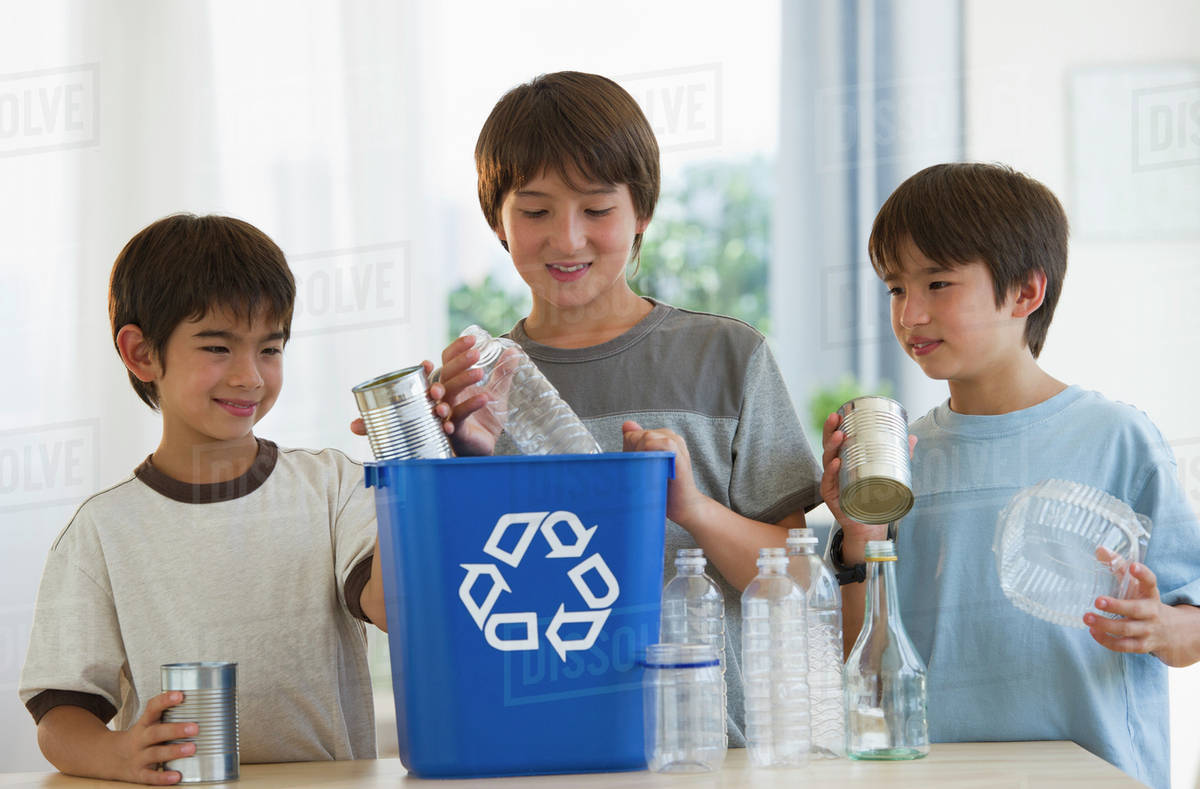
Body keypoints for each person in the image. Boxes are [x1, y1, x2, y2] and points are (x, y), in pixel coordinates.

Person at [431, 71, 823, 745]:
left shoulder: (727, 358)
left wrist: (693, 508)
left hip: (708, 753)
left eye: (597, 208)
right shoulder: (477, 394)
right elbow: (449, 603)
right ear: (498, 219)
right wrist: (447, 456)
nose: (567, 238)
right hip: (534, 744)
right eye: (535, 211)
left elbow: (800, 580)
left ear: (642, 210)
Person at [820, 163, 1200, 789]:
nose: (910, 314)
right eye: (894, 288)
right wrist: (858, 538)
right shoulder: (904, 457)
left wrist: (1160, 626)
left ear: (1026, 292)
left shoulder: (1117, 439)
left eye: (937, 283)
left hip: (1097, 775)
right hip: (936, 775)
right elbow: (865, 666)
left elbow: (1191, 628)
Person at [20, 214, 392, 785]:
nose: (250, 377)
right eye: (218, 346)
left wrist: (417, 474)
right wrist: (119, 753)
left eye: (270, 348)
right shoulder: (103, 529)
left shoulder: (332, 486)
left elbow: (395, 609)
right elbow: (61, 715)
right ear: (141, 353)